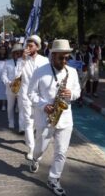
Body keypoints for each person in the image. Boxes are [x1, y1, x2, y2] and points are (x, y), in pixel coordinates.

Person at [28, 39, 81, 196]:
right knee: (39, 149)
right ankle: (35, 158)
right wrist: (44, 105)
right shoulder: (40, 71)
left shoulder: (71, 72)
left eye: (66, 58)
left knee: (61, 152)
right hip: (46, 118)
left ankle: (54, 179)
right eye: (61, 58)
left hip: (65, 119)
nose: (64, 61)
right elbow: (31, 93)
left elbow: (78, 92)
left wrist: (72, 94)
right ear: (52, 55)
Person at [19, 35, 49, 160]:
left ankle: (35, 144)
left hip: (39, 96)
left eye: (31, 46)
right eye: (27, 45)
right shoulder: (22, 60)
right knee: (28, 122)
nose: (28, 48)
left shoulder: (44, 60)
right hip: (25, 94)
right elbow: (17, 75)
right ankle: (31, 148)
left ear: (37, 47)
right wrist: (23, 61)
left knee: (39, 123)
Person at [1, 44, 24, 130]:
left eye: (20, 53)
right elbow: (3, 75)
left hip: (21, 89)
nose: (18, 54)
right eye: (16, 53)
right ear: (13, 53)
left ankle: (21, 127)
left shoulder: (24, 62)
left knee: (21, 108)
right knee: (10, 107)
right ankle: (11, 123)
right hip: (10, 88)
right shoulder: (7, 62)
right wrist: (9, 83)